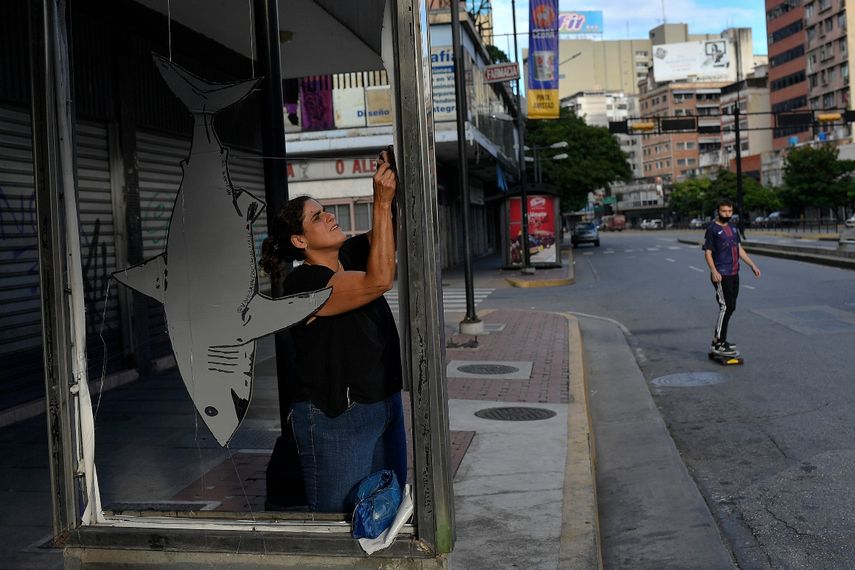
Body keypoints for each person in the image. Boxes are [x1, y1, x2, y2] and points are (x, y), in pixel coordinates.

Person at [259, 148, 405, 512]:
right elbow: (379, 280)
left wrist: (395, 174)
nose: (329, 215)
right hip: (339, 418)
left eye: (325, 210)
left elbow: (391, 228)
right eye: (317, 216)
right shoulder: (302, 284)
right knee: (339, 521)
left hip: (384, 404)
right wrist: (380, 202)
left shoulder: (351, 255)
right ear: (300, 241)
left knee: (385, 516)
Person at [702, 199, 761, 356]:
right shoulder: (712, 229)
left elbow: (739, 249)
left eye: (729, 211)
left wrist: (752, 265)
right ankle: (719, 343)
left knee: (731, 306)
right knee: (726, 306)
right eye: (724, 211)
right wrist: (713, 271)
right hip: (721, 274)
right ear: (718, 211)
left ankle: (719, 339)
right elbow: (708, 253)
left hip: (734, 272)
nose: (727, 214)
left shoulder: (733, 228)